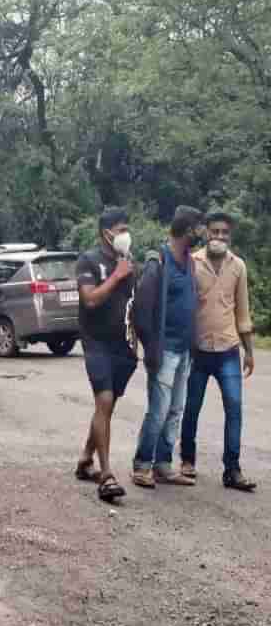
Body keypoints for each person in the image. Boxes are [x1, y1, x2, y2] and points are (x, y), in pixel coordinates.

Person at [180, 212, 257, 492]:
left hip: (228, 350)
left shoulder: (238, 266)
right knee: (191, 407)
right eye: (215, 232)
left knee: (234, 408)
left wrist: (249, 352)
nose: (219, 237)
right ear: (207, 234)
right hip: (198, 350)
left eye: (224, 232)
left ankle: (232, 469)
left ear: (230, 235)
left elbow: (243, 312)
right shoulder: (192, 263)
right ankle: (187, 461)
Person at [130, 206, 204, 488]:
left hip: (184, 350)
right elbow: (141, 310)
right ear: (187, 231)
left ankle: (163, 465)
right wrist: (151, 348)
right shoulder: (158, 261)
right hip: (165, 350)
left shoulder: (190, 262)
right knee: (159, 411)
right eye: (198, 228)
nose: (202, 234)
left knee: (175, 410)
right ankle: (142, 465)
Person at [73, 207, 138, 503]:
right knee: (105, 400)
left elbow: (132, 304)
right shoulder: (89, 260)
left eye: (127, 229)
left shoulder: (128, 262)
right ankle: (107, 474)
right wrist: (116, 275)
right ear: (106, 233)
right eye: (121, 229)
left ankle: (86, 457)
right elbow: (90, 300)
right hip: (96, 341)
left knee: (106, 407)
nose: (125, 235)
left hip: (122, 345)